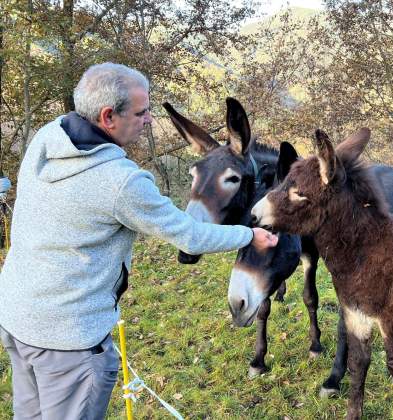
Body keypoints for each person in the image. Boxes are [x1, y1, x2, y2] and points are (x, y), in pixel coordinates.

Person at [0, 62, 277, 420]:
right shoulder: (121, 182)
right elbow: (189, 235)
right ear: (108, 117)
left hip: (17, 315)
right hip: (68, 339)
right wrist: (249, 234)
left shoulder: (48, 136)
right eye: (141, 112)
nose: (148, 120)